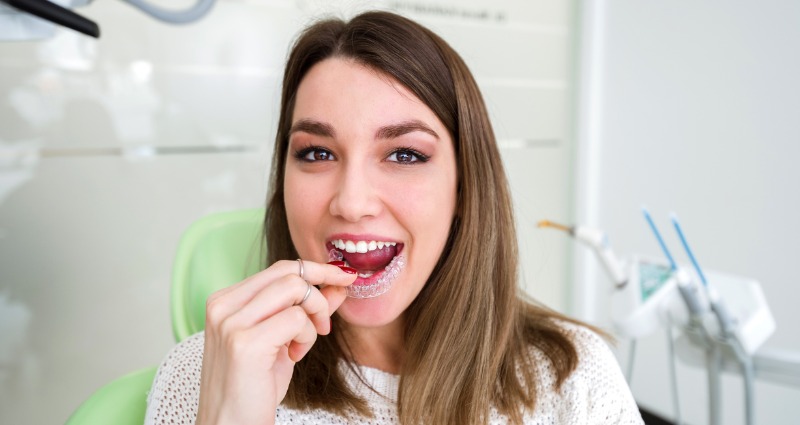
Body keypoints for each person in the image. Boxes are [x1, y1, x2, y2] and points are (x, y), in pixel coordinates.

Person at [145, 10, 644, 425]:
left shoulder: (572, 377)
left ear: (465, 187)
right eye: (317, 153)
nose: (352, 201)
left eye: (404, 154)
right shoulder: (204, 373)